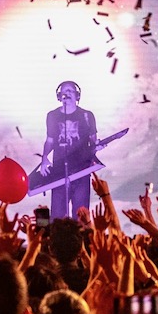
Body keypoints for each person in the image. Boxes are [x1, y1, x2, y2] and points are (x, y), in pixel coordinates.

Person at [40, 81, 98, 220]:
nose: (67, 94)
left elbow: (94, 140)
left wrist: (94, 154)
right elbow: (50, 140)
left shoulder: (87, 115)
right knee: (57, 218)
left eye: (71, 91)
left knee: (81, 217)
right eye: (64, 91)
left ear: (77, 95)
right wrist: (44, 158)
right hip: (59, 172)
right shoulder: (52, 116)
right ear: (59, 96)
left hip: (82, 172)